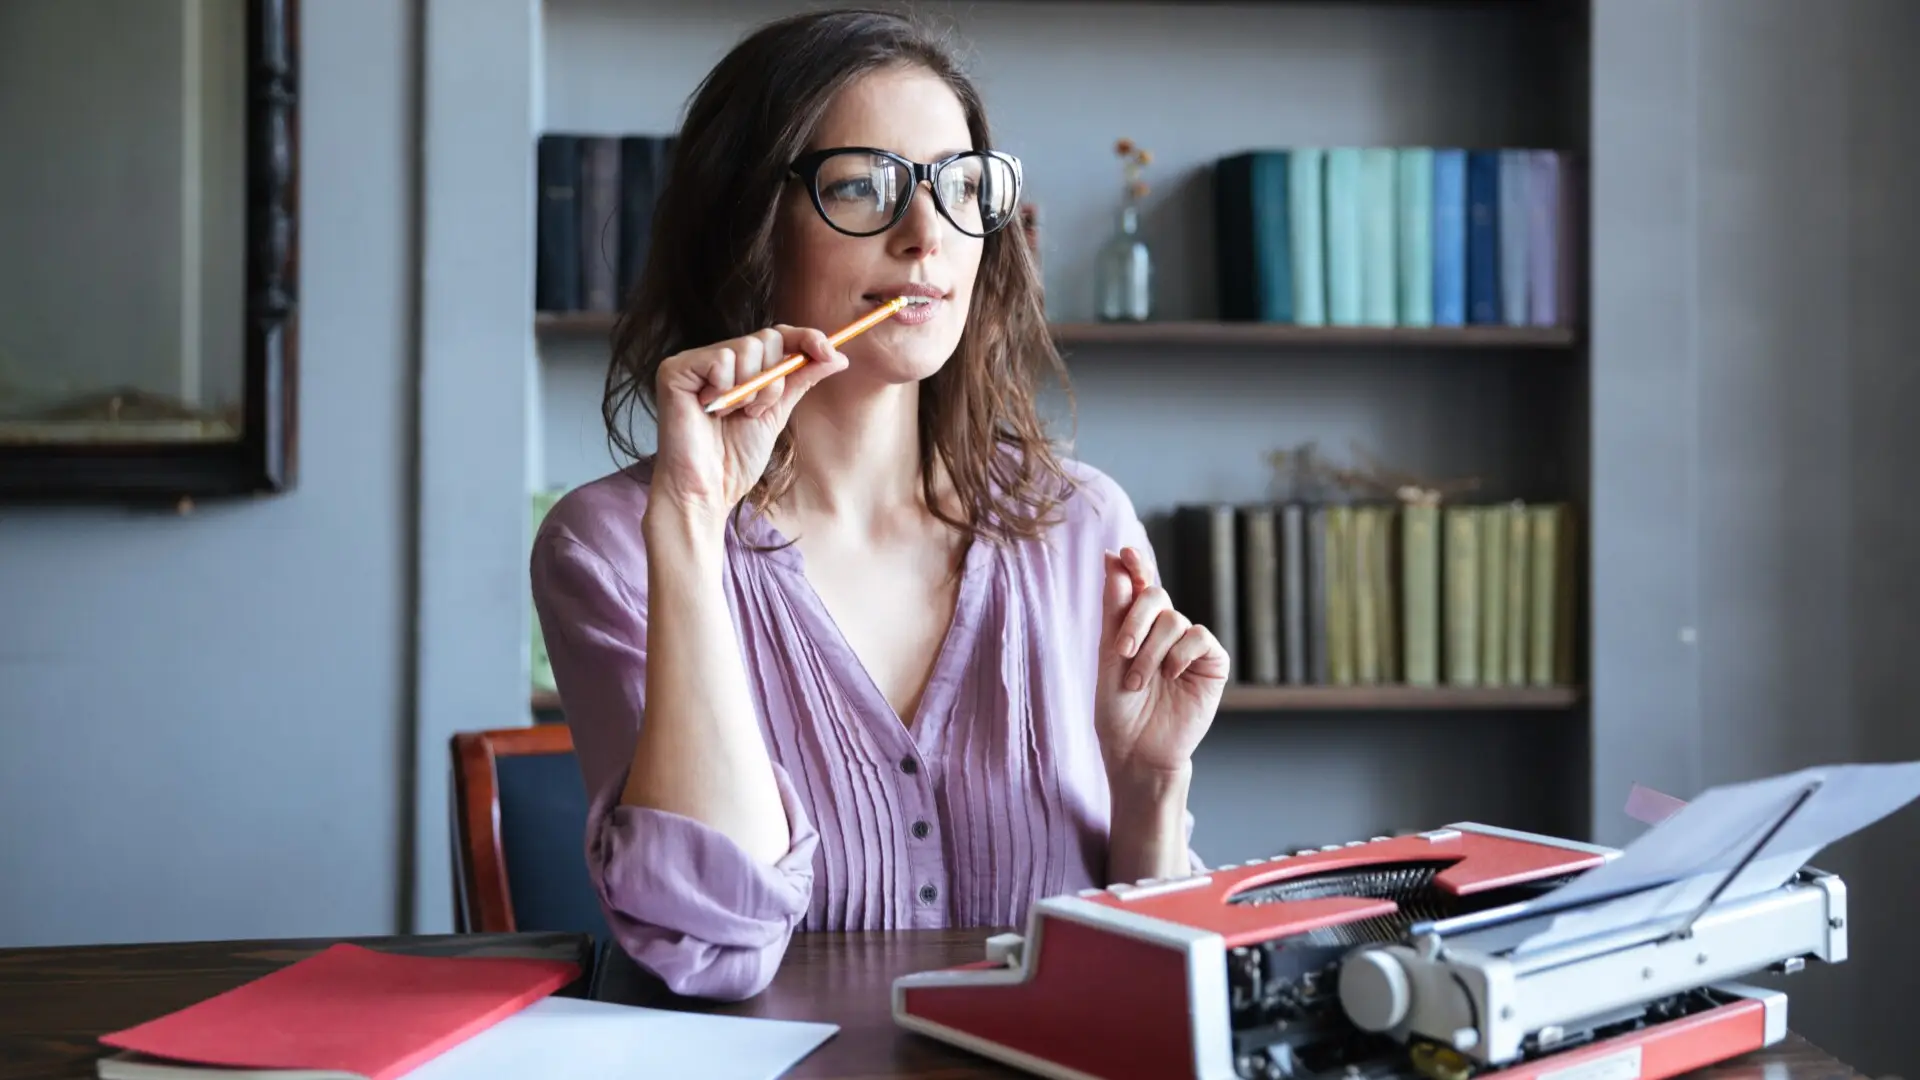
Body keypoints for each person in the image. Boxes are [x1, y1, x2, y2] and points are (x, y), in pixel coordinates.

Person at [530, 7, 1228, 1002]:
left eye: (959, 187)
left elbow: (1153, 988)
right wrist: (690, 520)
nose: (924, 235)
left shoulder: (1083, 525)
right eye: (863, 186)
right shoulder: (609, 546)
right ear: (747, 222)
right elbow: (709, 951)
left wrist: (1151, 789)